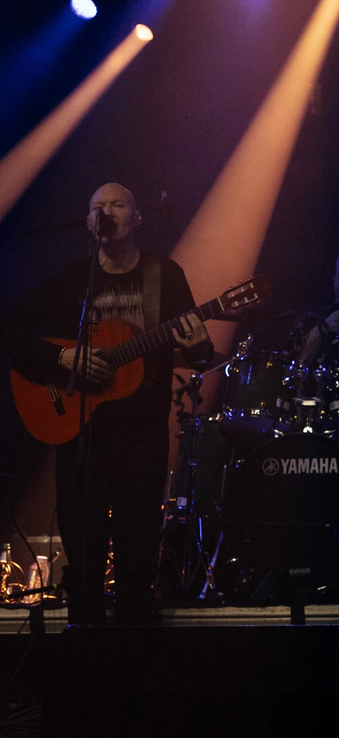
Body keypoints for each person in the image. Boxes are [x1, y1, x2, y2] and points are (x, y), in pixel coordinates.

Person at [0, 183, 211, 625]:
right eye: (98, 206)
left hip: (142, 437)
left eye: (117, 204)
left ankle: (133, 656)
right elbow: (10, 328)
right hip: (82, 434)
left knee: (136, 557)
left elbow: (201, 356)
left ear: (136, 218)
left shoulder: (165, 274)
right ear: (88, 222)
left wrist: (199, 344)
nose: (106, 211)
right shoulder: (74, 277)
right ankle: (85, 654)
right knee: (84, 562)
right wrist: (62, 357)